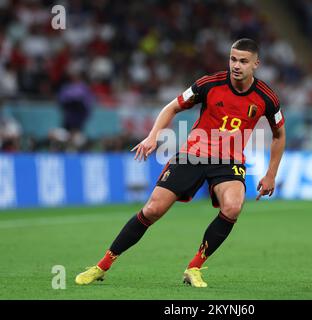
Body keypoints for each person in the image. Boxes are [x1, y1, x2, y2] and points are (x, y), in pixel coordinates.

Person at [75, 38, 286, 287]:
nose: (236, 65)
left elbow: (279, 134)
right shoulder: (209, 84)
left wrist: (271, 174)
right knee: (153, 209)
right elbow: (171, 107)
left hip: (228, 161)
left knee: (233, 207)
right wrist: (153, 136)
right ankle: (102, 265)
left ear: (256, 64)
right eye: (233, 59)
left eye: (243, 61)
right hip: (193, 154)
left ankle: (194, 267)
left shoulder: (267, 98)